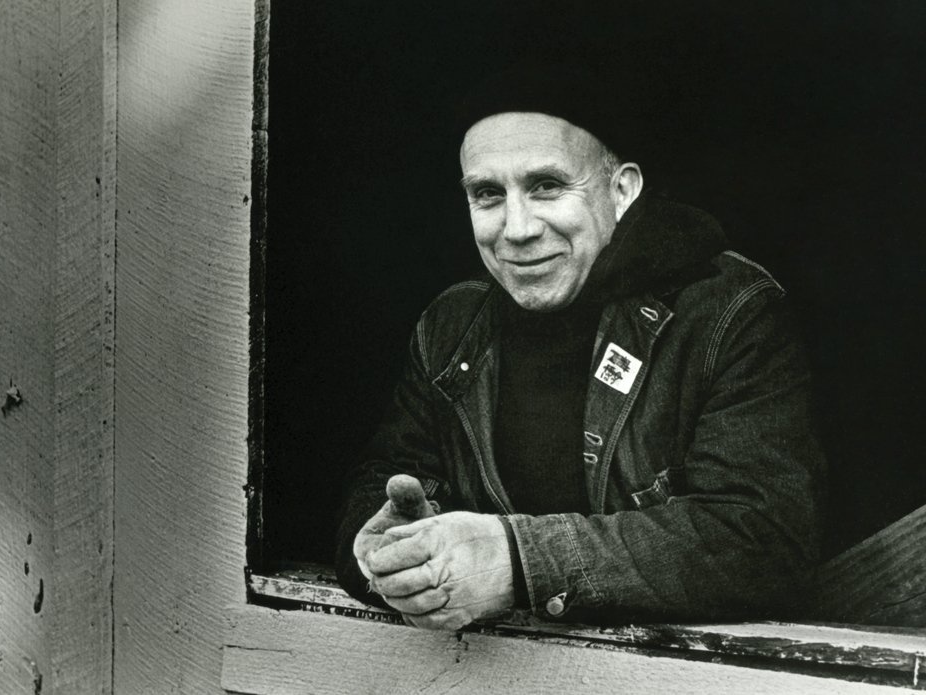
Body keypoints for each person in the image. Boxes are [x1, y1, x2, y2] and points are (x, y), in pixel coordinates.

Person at [335, 80, 824, 630]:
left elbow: (760, 540)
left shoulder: (728, 311)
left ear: (623, 190)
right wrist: (382, 554)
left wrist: (519, 562)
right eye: (488, 194)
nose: (516, 230)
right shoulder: (450, 325)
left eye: (546, 186)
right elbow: (388, 477)